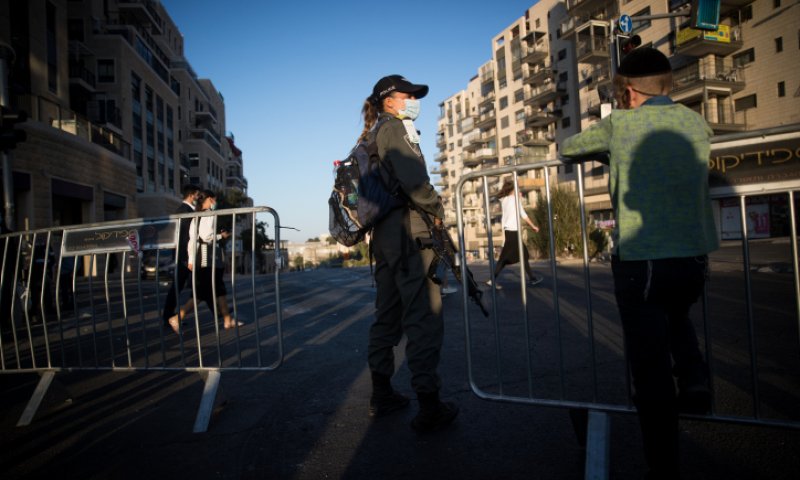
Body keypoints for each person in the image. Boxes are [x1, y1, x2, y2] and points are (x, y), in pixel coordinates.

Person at [560, 47, 718, 479]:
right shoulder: (694, 121)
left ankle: (663, 465)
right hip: (694, 258)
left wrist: (609, 152)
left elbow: (570, 149)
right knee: (677, 312)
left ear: (628, 92)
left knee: (648, 372)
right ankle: (695, 378)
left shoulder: (620, 124)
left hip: (643, 258)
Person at [361, 74, 458, 432]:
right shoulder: (396, 129)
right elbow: (415, 181)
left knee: (387, 316)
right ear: (390, 100)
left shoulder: (373, 133)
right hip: (409, 232)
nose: (414, 100)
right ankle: (429, 405)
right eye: (409, 95)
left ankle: (382, 393)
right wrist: (438, 209)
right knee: (424, 316)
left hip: (386, 236)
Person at [168, 190, 241, 333]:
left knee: (219, 289)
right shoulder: (208, 214)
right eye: (214, 199)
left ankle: (227, 320)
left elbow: (192, 239)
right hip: (207, 257)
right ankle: (177, 317)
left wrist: (191, 259)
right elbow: (206, 236)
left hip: (206, 256)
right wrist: (221, 236)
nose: (215, 202)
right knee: (203, 292)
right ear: (209, 199)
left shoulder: (197, 215)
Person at [486, 178, 542, 289]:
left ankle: (532, 278)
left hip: (509, 231)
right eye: (517, 188)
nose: (519, 190)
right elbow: (523, 215)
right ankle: (492, 280)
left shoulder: (505, 199)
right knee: (505, 258)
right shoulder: (515, 200)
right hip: (513, 232)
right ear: (513, 189)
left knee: (523, 254)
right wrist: (534, 226)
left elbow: (503, 198)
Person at [162, 184, 202, 329]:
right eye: (197, 195)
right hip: (184, 256)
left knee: (181, 286)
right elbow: (185, 237)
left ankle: (171, 316)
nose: (198, 198)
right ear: (192, 195)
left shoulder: (186, 210)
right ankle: (169, 317)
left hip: (184, 255)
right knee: (178, 286)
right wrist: (188, 258)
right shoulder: (184, 211)